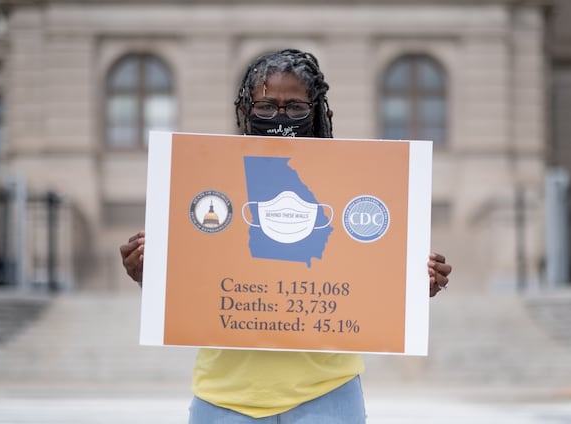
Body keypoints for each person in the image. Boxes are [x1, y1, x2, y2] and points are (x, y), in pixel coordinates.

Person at [120, 49, 452, 423]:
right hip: (224, 398)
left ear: (316, 109)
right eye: (266, 106)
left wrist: (411, 286)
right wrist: (150, 272)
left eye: (295, 107)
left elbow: (363, 279)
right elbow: (196, 281)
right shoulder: (206, 180)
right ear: (246, 108)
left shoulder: (348, 183)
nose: (280, 118)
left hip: (327, 394)